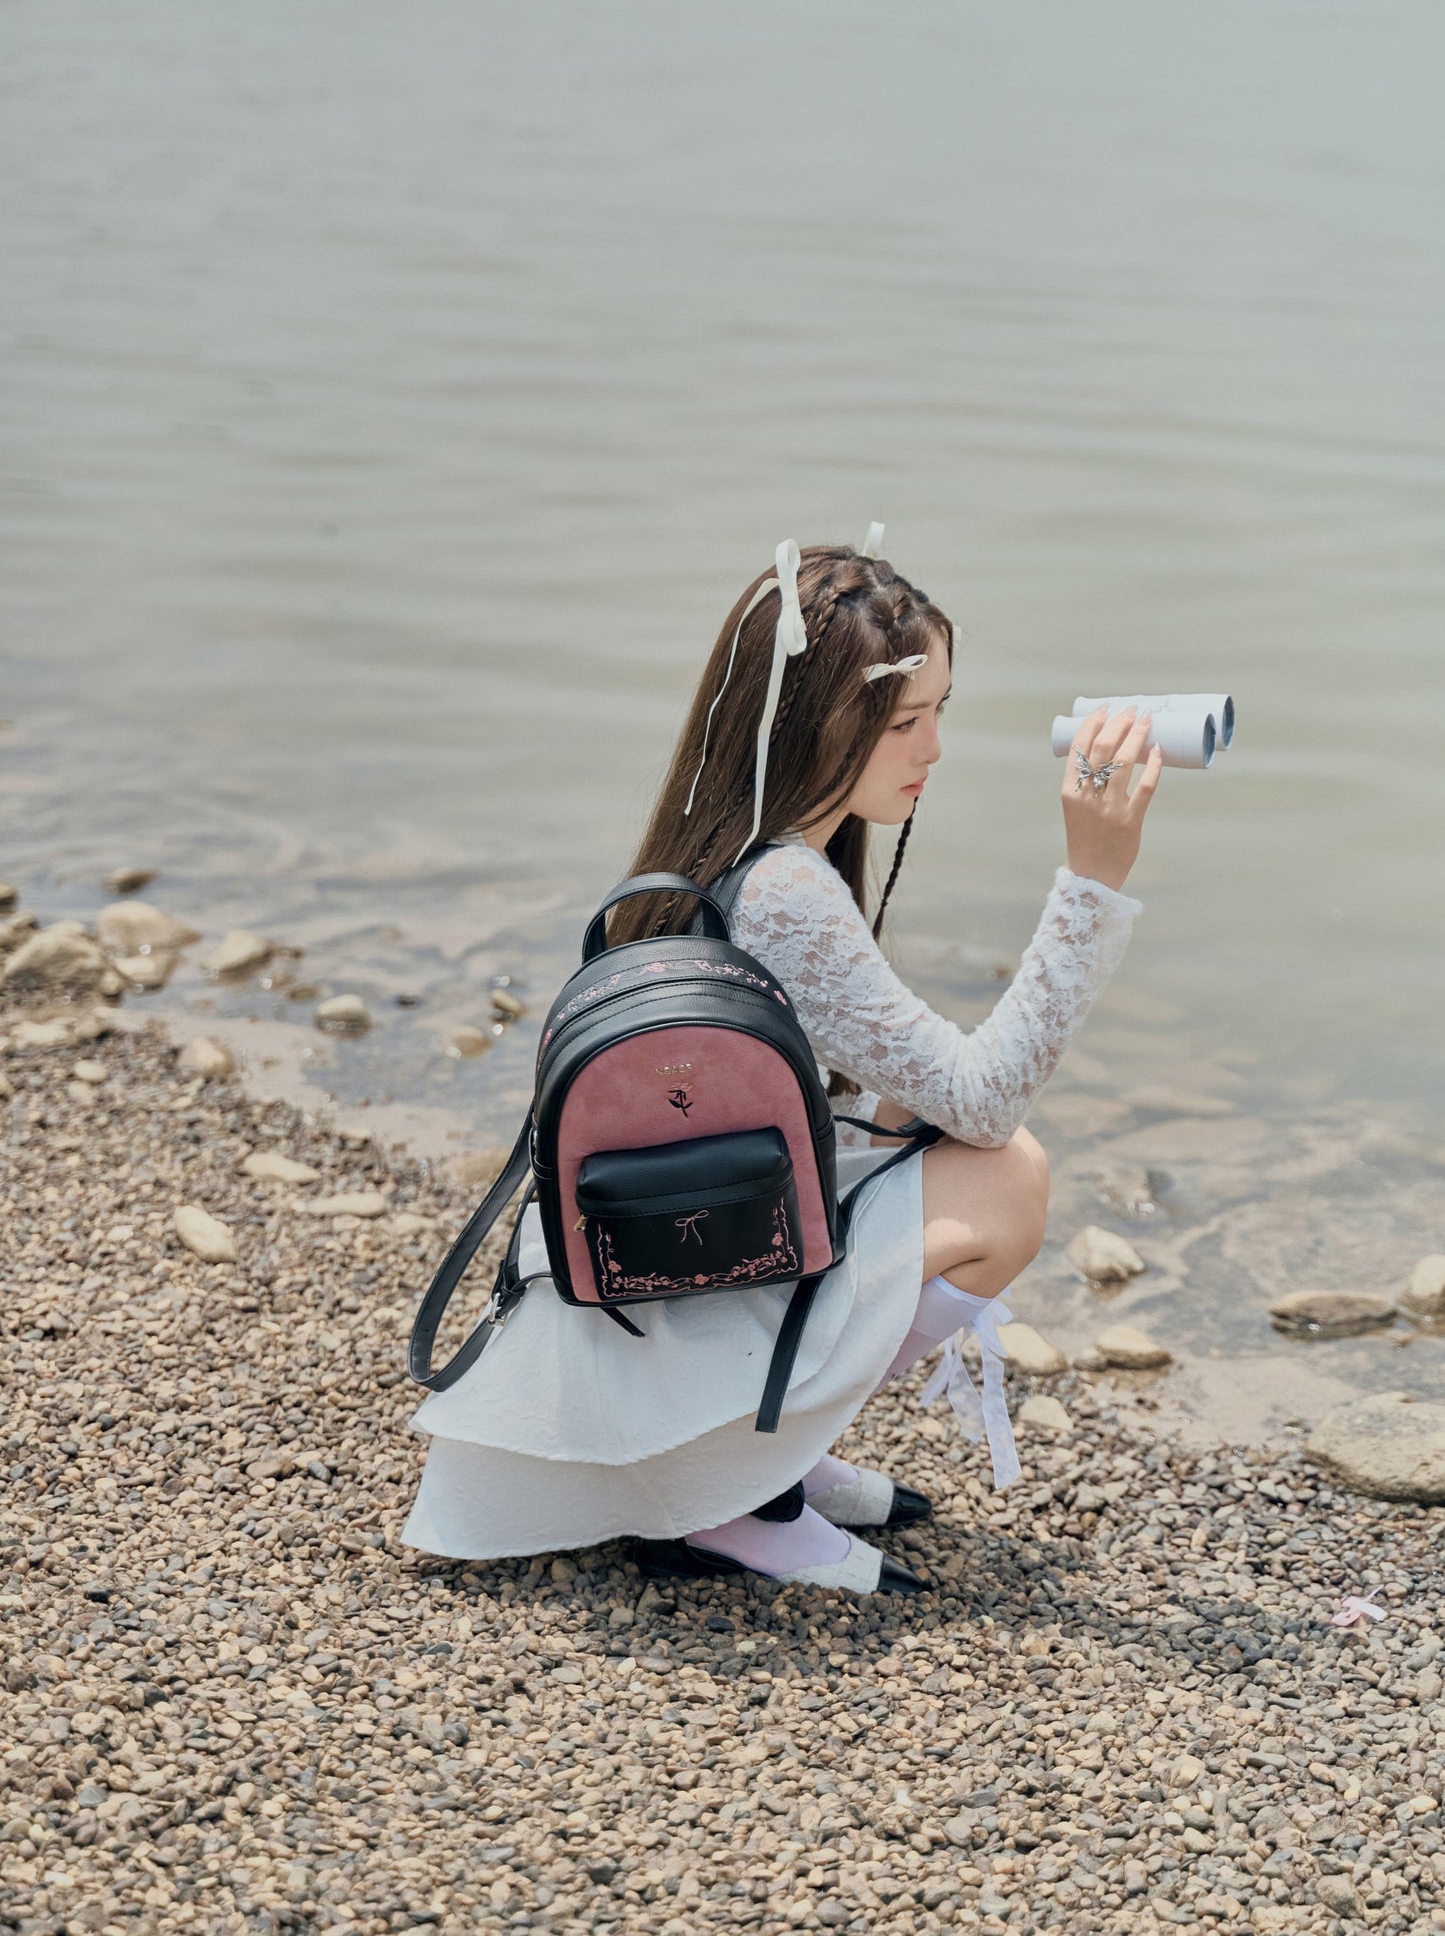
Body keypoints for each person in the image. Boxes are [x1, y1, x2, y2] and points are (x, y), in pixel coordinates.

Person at [401, 531, 1162, 1594]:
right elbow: (987, 1105)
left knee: (922, 1130)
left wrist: (923, 1090)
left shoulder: (732, 847)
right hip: (681, 1274)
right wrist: (1091, 880)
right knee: (1009, 1177)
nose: (931, 748)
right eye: (903, 720)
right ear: (812, 727)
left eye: (938, 711)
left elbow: (893, 1088)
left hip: (655, 1253)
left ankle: (766, 1456)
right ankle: (736, 1492)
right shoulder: (788, 892)